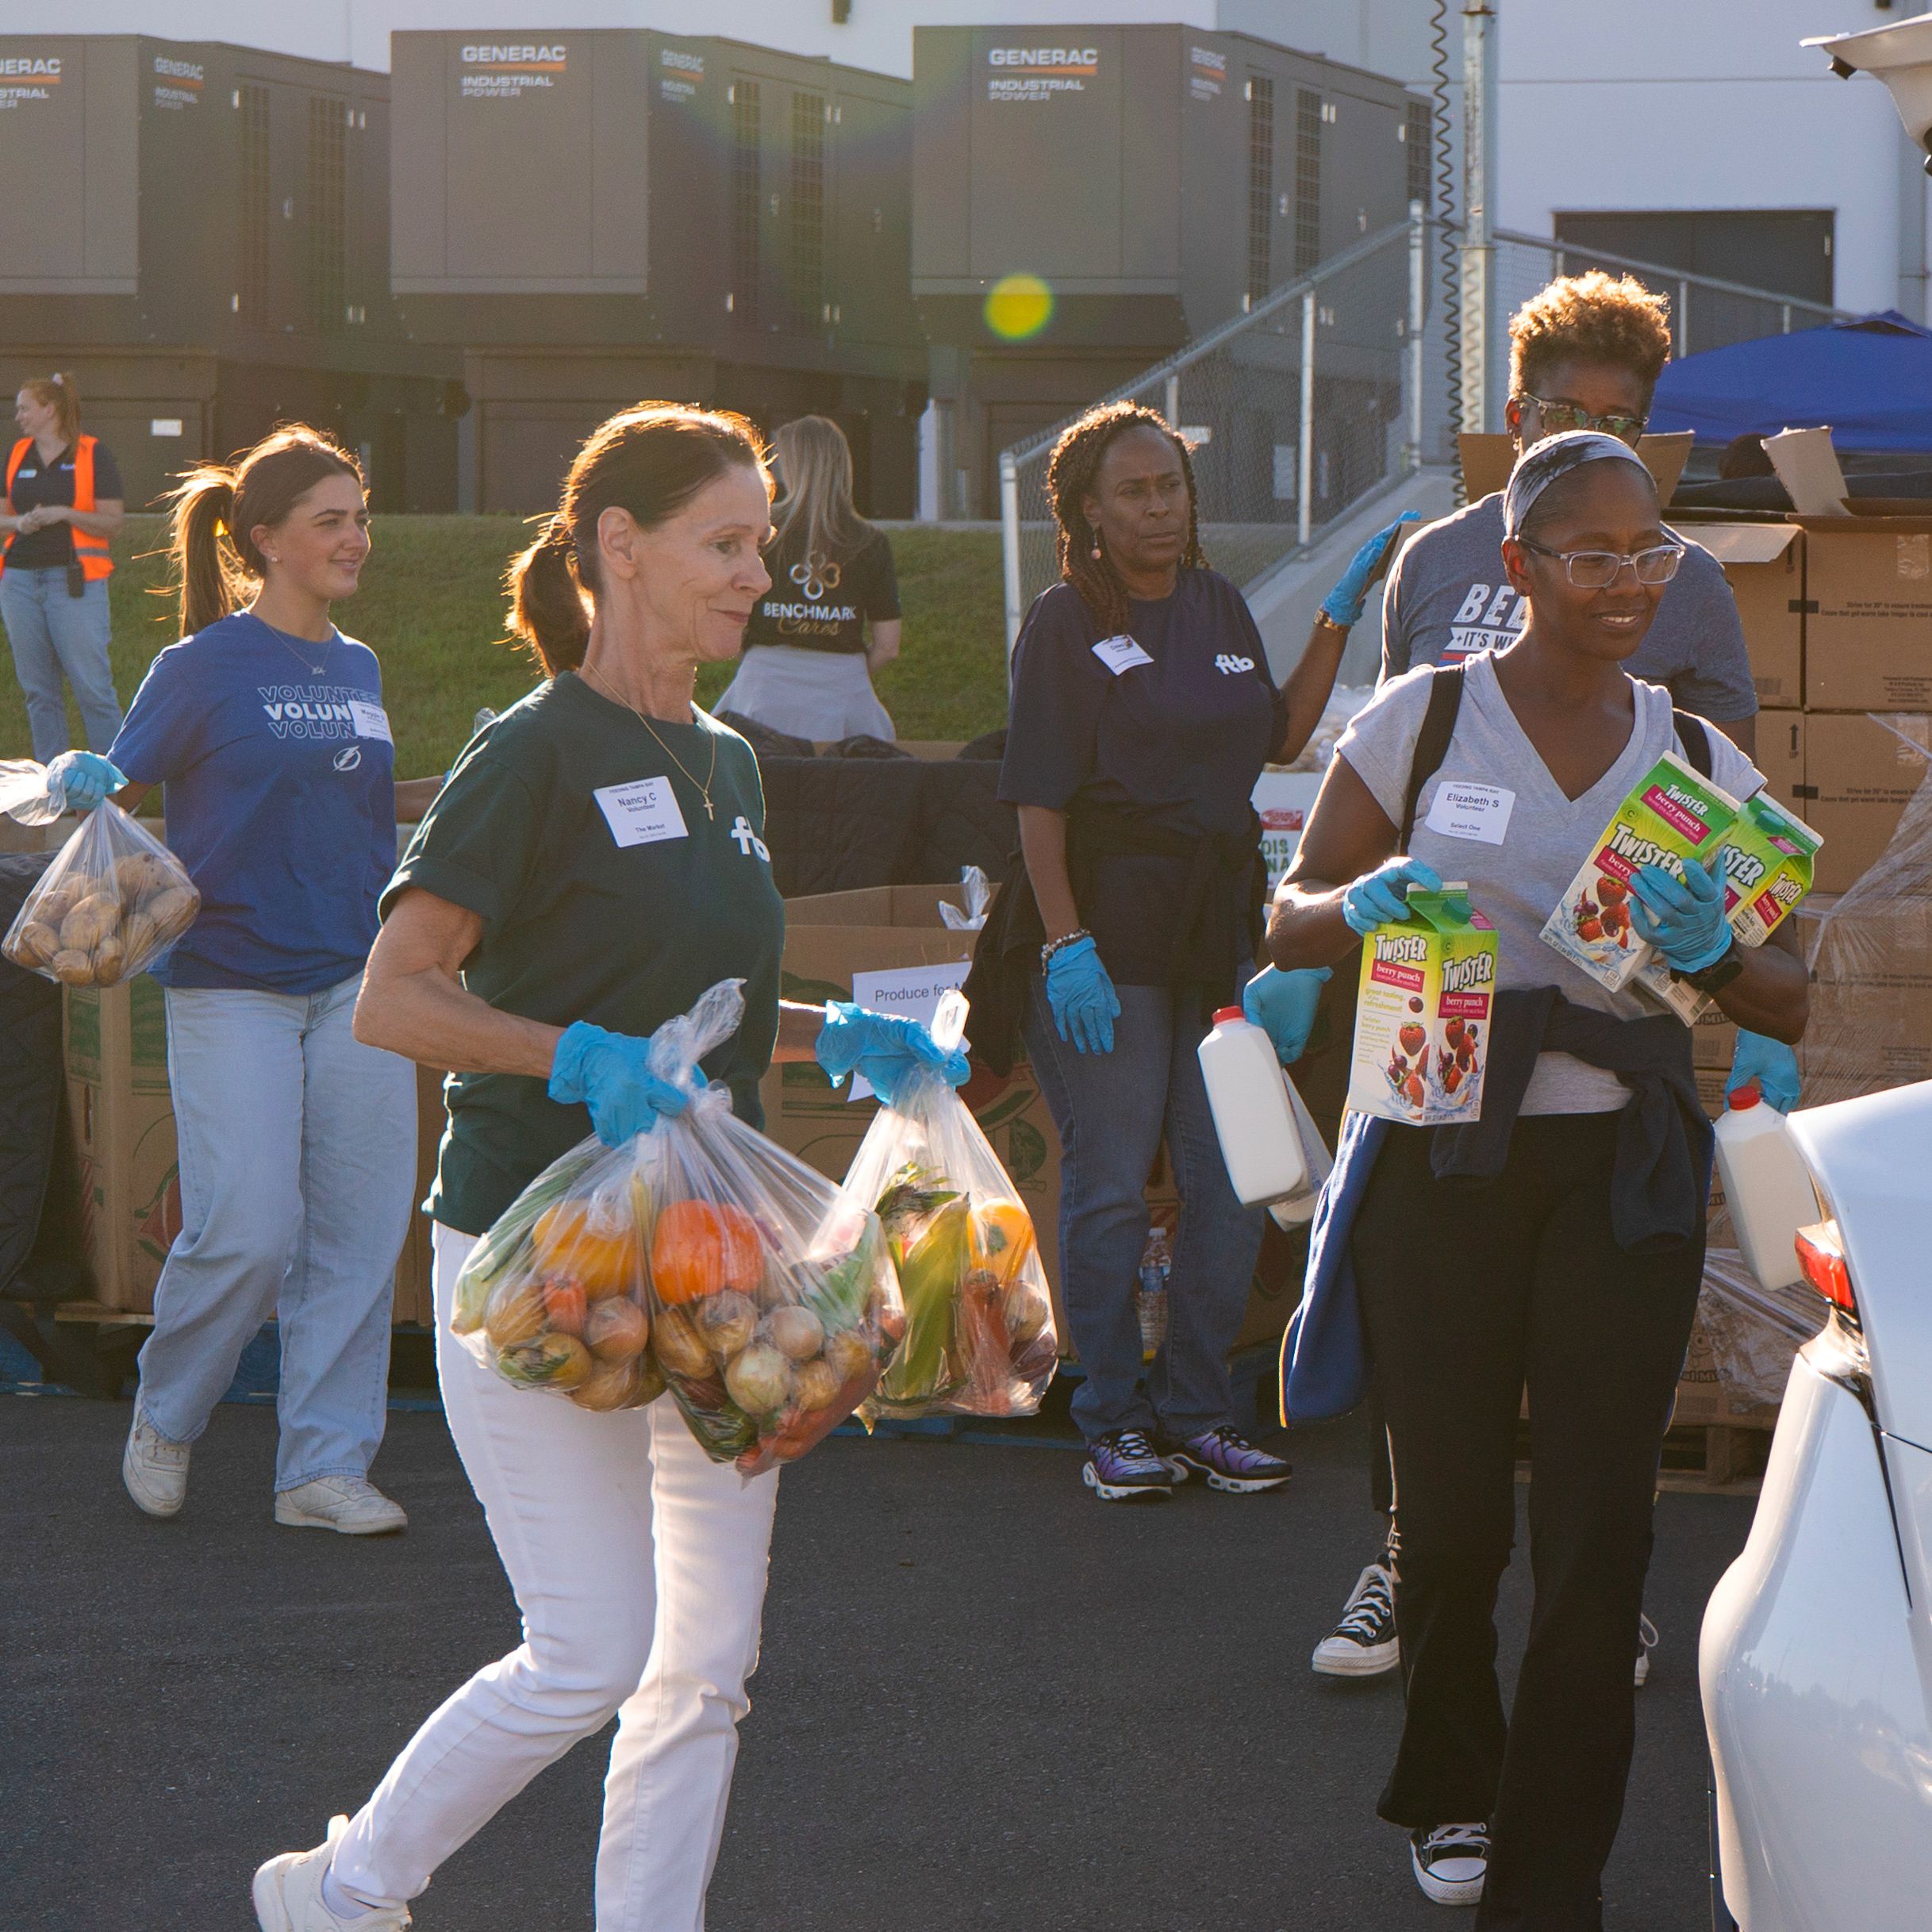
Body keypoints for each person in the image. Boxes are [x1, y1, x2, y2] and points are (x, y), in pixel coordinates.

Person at [249, 404, 964, 1932]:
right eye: (724, 542)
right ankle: (343, 1890)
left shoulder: (728, 762)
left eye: (760, 542)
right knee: (591, 1646)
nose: (755, 573)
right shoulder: (533, 752)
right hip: (537, 1263)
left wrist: (841, 1034)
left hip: (702, 1266)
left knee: (706, 1662)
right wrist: (571, 1055)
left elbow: (698, 1007)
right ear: (617, 552)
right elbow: (397, 996)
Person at [1268, 432, 1808, 1919]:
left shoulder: (1696, 761)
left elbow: (1791, 991)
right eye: (1594, 555)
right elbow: (1287, 916)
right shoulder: (1421, 723)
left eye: (1653, 554)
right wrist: (1356, 900)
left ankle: (1550, 1863)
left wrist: (1714, 953)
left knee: (1598, 1531)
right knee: (1446, 1525)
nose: (1631, 582)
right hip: (1444, 1150)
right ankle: (1451, 1786)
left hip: (1620, 1171)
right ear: (1519, 569)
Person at [1313, 268, 1796, 1679]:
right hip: (1438, 1027)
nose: (1595, 431)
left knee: (1589, 1404)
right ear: (1511, 411)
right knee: (1431, 1369)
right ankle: (1406, 1565)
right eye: (1567, 410)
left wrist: (1722, 935)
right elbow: (1393, 765)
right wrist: (1345, 917)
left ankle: (1598, 1586)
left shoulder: (1684, 582)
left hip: (1614, 1020)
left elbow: (1724, 796)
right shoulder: (1434, 561)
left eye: (1626, 419)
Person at [70, 429, 447, 1534]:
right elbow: (115, 796)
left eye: (360, 515)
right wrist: (86, 777)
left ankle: (321, 1468)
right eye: (330, 519)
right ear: (266, 539)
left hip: (357, 984)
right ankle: (168, 1408)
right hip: (231, 979)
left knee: (360, 1232)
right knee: (245, 1226)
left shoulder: (360, 664)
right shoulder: (200, 666)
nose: (355, 538)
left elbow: (356, 806)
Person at [968, 398, 1337, 1504]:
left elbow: (1276, 738)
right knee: (1114, 1181)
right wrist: (1066, 943)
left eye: (1168, 485)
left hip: (1210, 929)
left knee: (1226, 1178)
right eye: (1131, 491)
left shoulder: (1217, 602)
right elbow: (1036, 801)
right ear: (1084, 508)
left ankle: (1196, 1412)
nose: (1157, 507)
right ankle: (1111, 1418)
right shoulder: (1062, 621)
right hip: (1105, 932)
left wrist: (1335, 618)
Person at [713, 413, 901, 740]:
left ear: (792, 465)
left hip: (762, 691)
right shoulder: (871, 542)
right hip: (843, 696)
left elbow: (729, 616)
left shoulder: (760, 532)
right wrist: (838, 680)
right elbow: (888, 647)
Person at [0, 372, 125, 760]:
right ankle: (52, 791)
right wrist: (20, 523)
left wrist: (64, 514)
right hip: (19, 581)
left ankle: (117, 788)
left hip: (74, 583)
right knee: (39, 692)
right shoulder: (18, 454)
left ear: (49, 409)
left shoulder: (92, 453)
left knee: (93, 689)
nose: (18, 415)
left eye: (25, 407)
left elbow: (113, 522)